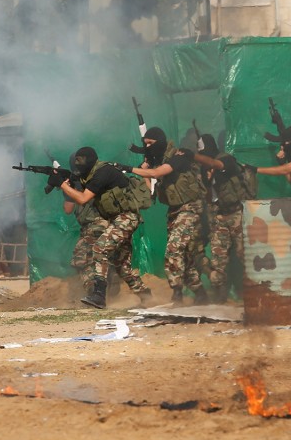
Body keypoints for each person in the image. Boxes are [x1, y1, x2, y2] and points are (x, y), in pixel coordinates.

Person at [56, 147, 152, 309]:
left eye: (80, 160)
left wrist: (63, 186)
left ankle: (99, 294)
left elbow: (83, 198)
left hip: (127, 217)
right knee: (121, 264)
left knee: (100, 249)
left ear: (89, 160)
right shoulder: (91, 175)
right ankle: (145, 295)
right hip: (117, 219)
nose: (77, 164)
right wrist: (65, 183)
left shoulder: (103, 172)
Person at [127, 127, 210, 306]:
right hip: (174, 210)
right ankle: (200, 292)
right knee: (184, 255)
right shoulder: (158, 161)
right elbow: (150, 190)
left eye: (151, 143)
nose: (147, 146)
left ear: (160, 142)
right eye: (145, 144)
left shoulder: (178, 156)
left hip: (190, 208)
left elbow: (158, 173)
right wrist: (145, 169)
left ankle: (177, 293)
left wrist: (130, 169)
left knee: (174, 249)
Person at [192, 133, 254, 303]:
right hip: (219, 217)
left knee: (244, 254)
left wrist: (195, 157)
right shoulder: (204, 170)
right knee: (218, 258)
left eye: (203, 153)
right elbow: (208, 196)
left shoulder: (225, 160)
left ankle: (253, 291)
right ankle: (221, 294)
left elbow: (216, 164)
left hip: (236, 214)